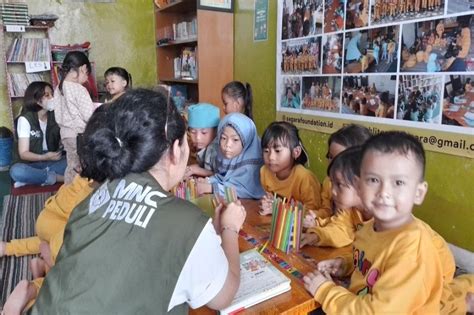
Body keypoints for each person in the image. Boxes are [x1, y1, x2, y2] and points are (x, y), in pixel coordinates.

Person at [28, 89, 245, 314]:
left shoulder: (92, 199)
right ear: (175, 150)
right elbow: (223, 297)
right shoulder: (187, 223)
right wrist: (230, 228)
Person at [302, 131, 445, 313]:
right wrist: (345, 264)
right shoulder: (368, 229)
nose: (383, 192)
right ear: (360, 186)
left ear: (418, 193)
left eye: (398, 182)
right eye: (373, 180)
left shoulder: (412, 249)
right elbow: (371, 262)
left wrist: (325, 291)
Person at [301, 146, 371, 248]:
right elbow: (339, 229)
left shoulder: (384, 219)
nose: (333, 191)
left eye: (339, 184)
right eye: (332, 183)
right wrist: (315, 236)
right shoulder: (349, 210)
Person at [304, 124, 371, 229]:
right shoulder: (328, 182)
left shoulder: (361, 203)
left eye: (340, 159)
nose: (333, 164)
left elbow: (345, 229)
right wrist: (315, 218)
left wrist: (318, 224)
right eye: (330, 157)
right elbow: (328, 212)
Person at [9, 82, 66, 188]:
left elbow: (62, 141)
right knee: (17, 171)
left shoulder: (55, 115)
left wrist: (60, 147)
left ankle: (33, 178)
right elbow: (23, 153)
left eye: (52, 94)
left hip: (50, 161)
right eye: (47, 95)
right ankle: (57, 178)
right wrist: (44, 157)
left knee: (72, 161)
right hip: (28, 163)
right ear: (37, 100)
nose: (52, 98)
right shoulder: (25, 119)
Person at [258, 121, 322, 216]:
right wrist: (266, 204)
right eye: (266, 151)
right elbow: (269, 199)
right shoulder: (264, 172)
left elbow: (312, 213)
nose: (271, 157)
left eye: (277, 151)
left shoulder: (304, 178)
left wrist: (280, 209)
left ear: (295, 152)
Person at [196, 113, 264, 199]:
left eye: (235, 140)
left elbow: (244, 190)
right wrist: (209, 180)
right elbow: (224, 177)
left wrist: (212, 187)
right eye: (223, 138)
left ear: (247, 141)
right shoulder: (226, 155)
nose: (227, 145)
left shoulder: (252, 165)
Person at [52, 51, 95, 184]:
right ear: (82, 69)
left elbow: (57, 114)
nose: (87, 78)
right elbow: (89, 116)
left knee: (71, 166)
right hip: (79, 135)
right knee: (81, 168)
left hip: (65, 134)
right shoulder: (79, 89)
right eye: (87, 74)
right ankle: (75, 196)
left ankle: (66, 193)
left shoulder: (58, 89)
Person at [184, 103, 220, 178]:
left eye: (204, 133)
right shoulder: (203, 146)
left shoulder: (218, 150)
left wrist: (196, 170)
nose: (198, 138)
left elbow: (221, 176)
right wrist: (192, 168)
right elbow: (204, 165)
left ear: (215, 131)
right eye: (193, 132)